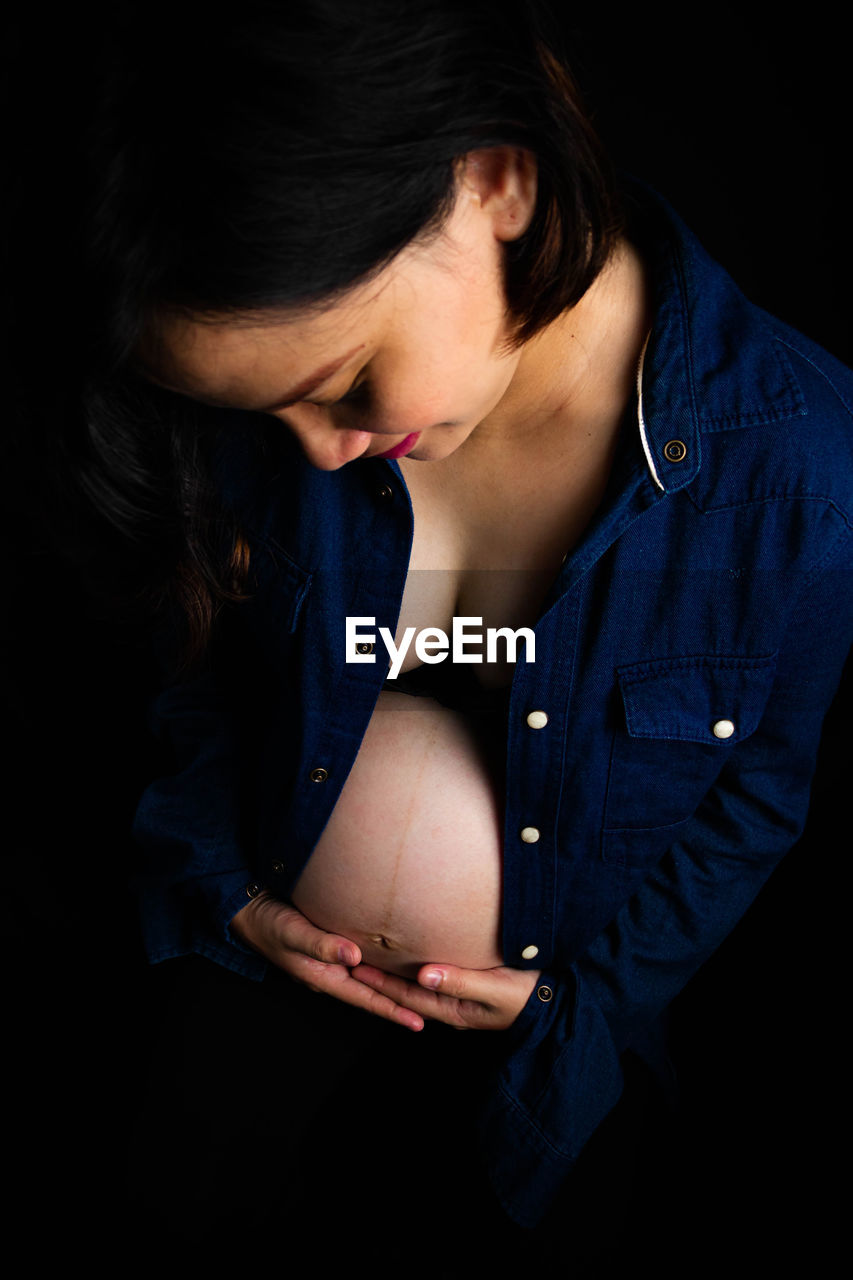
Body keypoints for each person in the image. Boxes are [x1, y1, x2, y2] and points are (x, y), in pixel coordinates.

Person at [5, 0, 850, 1269]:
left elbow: (758, 796)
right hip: (252, 966)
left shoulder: (790, 472)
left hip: (535, 1048)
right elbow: (202, 666)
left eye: (345, 382)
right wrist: (221, 891)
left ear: (493, 184)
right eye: (274, 416)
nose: (321, 450)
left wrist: (589, 1006)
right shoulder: (268, 376)